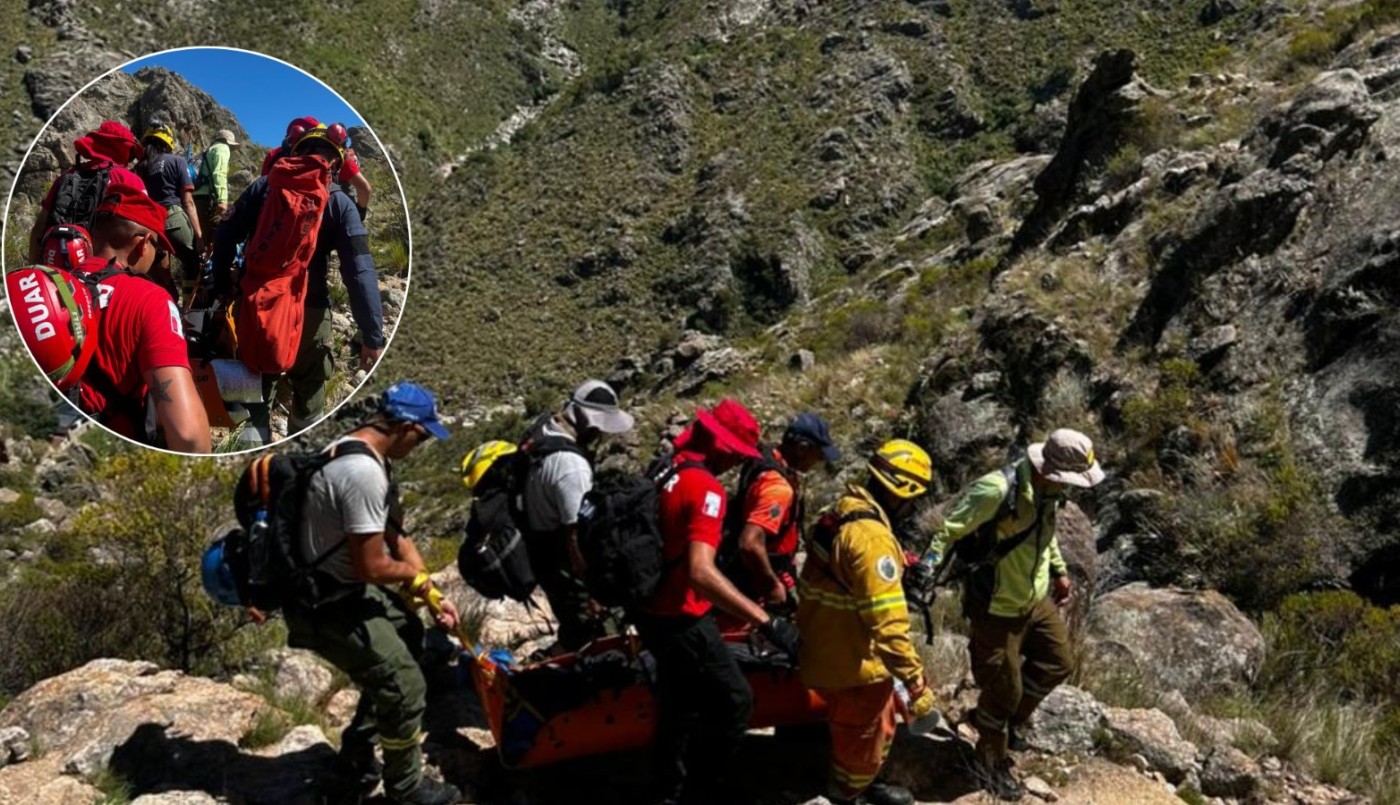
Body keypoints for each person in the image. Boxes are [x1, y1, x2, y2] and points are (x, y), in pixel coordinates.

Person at [283, 381, 461, 805]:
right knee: (405, 684)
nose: (421, 443)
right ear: (401, 426)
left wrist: (431, 596)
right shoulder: (362, 473)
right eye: (420, 434)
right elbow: (373, 565)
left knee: (410, 638)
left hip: (345, 589)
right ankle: (405, 788)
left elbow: (397, 537)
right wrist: (414, 582)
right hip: (327, 601)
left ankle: (357, 756)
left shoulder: (368, 457)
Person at [919, 428, 1105, 800]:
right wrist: (926, 570)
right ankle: (991, 763)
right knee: (1004, 690)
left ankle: (995, 723)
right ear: (1050, 469)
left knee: (1058, 662)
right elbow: (948, 532)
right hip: (996, 607)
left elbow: (1044, 534)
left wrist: (1059, 571)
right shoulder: (996, 491)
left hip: (1035, 600)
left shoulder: (1049, 493)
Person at [638, 398, 802, 805]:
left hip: (649, 608)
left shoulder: (665, 467)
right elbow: (702, 573)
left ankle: (668, 790)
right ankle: (702, 791)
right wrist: (767, 621)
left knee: (678, 702)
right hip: (681, 614)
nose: (733, 465)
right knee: (735, 702)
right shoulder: (706, 489)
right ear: (723, 448)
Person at [212, 122, 386, 446]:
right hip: (311, 312)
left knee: (250, 394)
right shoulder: (340, 203)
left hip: (256, 307)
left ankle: (251, 455)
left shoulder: (263, 186)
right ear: (335, 162)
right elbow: (360, 271)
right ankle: (300, 454)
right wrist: (372, 335)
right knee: (310, 389)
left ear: (294, 151)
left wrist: (224, 286)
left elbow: (224, 237)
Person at [796, 439, 936, 805]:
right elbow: (889, 628)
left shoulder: (843, 510)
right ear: (901, 493)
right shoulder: (873, 540)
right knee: (863, 739)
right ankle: (848, 793)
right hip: (854, 665)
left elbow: (841, 569)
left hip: (824, 643)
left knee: (848, 731)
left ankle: (850, 783)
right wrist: (916, 684)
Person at [72, 184, 210, 452]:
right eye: (159, 249)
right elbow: (189, 435)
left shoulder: (53, 281)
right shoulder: (151, 300)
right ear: (143, 243)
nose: (159, 257)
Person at [519, 379, 634, 652]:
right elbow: (576, 537)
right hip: (563, 561)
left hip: (538, 547)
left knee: (572, 624)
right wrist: (594, 590)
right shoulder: (572, 467)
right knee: (596, 634)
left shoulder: (544, 428)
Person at [726, 412, 841, 607]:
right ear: (803, 448)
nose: (817, 463)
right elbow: (750, 543)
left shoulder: (766, 457)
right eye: (818, 455)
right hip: (759, 580)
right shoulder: (778, 488)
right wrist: (771, 586)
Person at [27, 121, 145, 263]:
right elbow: (144, 234)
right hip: (105, 271)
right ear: (123, 149)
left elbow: (38, 229)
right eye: (131, 154)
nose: (130, 160)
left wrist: (34, 267)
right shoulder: (129, 180)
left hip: (57, 265)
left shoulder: (67, 176)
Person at [134, 124, 204, 305]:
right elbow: (188, 202)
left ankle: (168, 305)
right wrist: (198, 236)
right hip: (172, 219)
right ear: (168, 142)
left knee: (160, 273)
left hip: (147, 223)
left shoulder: (139, 168)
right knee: (192, 263)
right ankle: (188, 308)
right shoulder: (177, 161)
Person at [262, 116, 373, 215]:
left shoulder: (275, 155)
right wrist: (360, 213)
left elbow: (263, 189)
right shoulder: (338, 155)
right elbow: (364, 188)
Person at [190, 128, 240, 254]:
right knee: (218, 237)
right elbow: (220, 174)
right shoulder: (223, 148)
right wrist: (222, 199)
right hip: (209, 200)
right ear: (228, 142)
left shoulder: (209, 150)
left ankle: (200, 269)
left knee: (203, 239)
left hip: (196, 198)